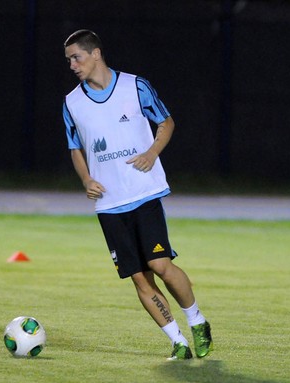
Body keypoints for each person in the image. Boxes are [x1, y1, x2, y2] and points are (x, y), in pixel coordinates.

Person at [62, 29, 213, 360]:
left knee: (160, 264)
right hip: (109, 205)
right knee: (139, 279)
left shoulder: (135, 86)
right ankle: (178, 341)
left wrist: (152, 152)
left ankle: (197, 320)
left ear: (96, 54)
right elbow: (75, 148)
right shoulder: (72, 103)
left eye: (77, 57)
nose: (73, 64)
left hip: (143, 193)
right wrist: (86, 178)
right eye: (69, 60)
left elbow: (167, 122)